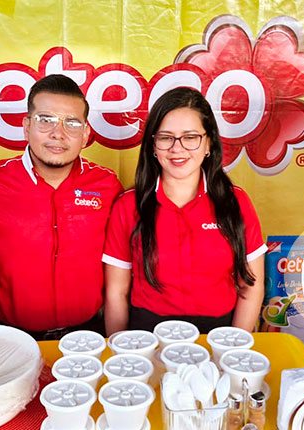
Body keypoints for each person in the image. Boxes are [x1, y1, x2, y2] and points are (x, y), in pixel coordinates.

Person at [0, 74, 123, 340]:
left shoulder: (107, 184)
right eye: (45, 120)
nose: (58, 133)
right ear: (26, 127)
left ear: (85, 134)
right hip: (11, 337)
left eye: (72, 123)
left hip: (89, 334)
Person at [103, 87, 266, 335]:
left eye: (190, 137)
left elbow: (251, 288)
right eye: (165, 137)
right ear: (153, 145)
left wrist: (233, 345)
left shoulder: (236, 202)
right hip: (147, 336)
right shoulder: (128, 206)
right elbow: (116, 292)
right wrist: (120, 349)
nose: (177, 148)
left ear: (209, 143)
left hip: (218, 334)